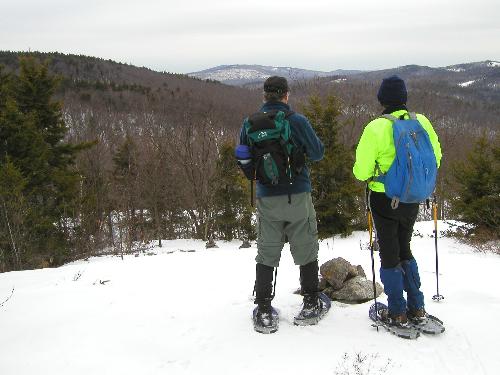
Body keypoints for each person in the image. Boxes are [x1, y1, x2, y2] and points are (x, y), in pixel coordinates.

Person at [238, 76, 329, 334]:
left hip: (267, 197)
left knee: (267, 250)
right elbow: (318, 152)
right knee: (306, 246)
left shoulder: (250, 123)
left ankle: (264, 309)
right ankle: (311, 302)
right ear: (286, 95)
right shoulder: (297, 121)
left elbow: (243, 156)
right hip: (298, 193)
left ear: (265, 96)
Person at [353, 76, 442, 328]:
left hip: (384, 199)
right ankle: (417, 307)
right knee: (405, 248)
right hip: (412, 197)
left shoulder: (376, 127)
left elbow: (361, 171)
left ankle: (397, 312)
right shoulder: (421, 121)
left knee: (389, 253)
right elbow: (436, 156)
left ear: (381, 99)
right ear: (404, 98)